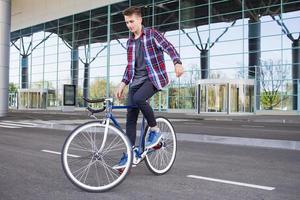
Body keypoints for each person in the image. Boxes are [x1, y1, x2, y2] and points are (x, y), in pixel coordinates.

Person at [114, 6, 184, 169]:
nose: (129, 25)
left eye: (131, 21)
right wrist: (123, 83)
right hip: (135, 82)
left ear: (139, 20)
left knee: (139, 99)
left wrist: (177, 62)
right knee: (130, 119)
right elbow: (130, 66)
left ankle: (155, 130)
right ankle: (130, 154)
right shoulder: (130, 42)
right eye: (126, 22)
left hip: (153, 79)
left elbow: (169, 47)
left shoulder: (152, 34)